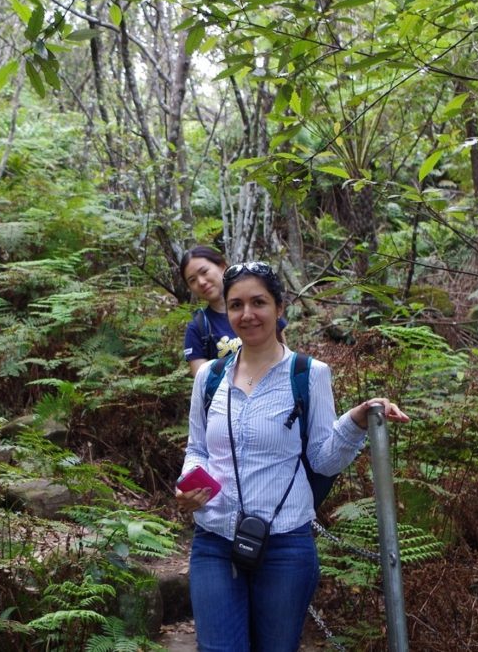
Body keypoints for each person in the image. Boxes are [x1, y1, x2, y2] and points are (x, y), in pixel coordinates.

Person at [175, 260, 410, 652]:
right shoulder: (209, 377)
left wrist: (354, 420)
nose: (247, 315)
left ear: (280, 308)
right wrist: (189, 485)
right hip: (214, 539)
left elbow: (322, 459)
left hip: (284, 542)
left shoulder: (308, 373)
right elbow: (197, 448)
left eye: (259, 303)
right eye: (236, 305)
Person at [180, 246, 285, 377]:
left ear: (222, 266)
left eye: (204, 271)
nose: (201, 282)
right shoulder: (198, 328)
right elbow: (204, 380)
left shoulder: (264, 309)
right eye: (192, 280)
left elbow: (284, 355)